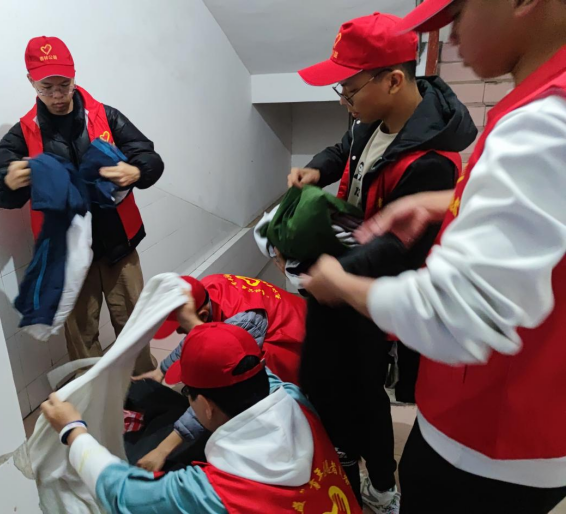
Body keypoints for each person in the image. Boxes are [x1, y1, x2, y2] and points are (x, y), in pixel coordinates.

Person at [303, 0, 567, 512]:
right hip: (496, 413)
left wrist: (339, 283)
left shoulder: (544, 121)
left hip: (493, 436)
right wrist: (448, 202)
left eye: (458, 13)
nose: (450, 39)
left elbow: (454, 314)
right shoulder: (537, 106)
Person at [290, 12, 477, 513]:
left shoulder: (433, 161)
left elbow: (401, 248)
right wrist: (317, 169)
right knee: (328, 380)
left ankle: (379, 484)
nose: (345, 102)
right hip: (346, 268)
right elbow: (342, 149)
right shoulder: (370, 123)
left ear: (393, 80)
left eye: (349, 90)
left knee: (364, 390)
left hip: (375, 290)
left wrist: (338, 276)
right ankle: (340, 459)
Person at [41, 323, 362, 514]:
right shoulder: (297, 401)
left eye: (189, 395)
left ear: (206, 406)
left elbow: (122, 493)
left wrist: (73, 430)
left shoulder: (216, 493)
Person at [0, 36, 164, 373]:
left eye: (64, 85)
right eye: (46, 87)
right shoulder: (24, 133)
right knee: (81, 334)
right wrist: (6, 184)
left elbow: (148, 155)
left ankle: (144, 385)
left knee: (135, 324)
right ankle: (93, 393)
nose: (57, 95)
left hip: (118, 243)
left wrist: (137, 170)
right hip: (67, 253)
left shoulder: (106, 116)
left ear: (74, 77)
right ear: (31, 82)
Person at [132, 275, 307, 472]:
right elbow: (197, 334)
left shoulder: (242, 324)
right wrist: (160, 371)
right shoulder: (202, 291)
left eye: (180, 327)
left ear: (203, 314)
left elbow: (219, 394)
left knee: (245, 391)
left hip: (298, 339)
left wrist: (163, 449)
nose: (180, 332)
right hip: (281, 319)